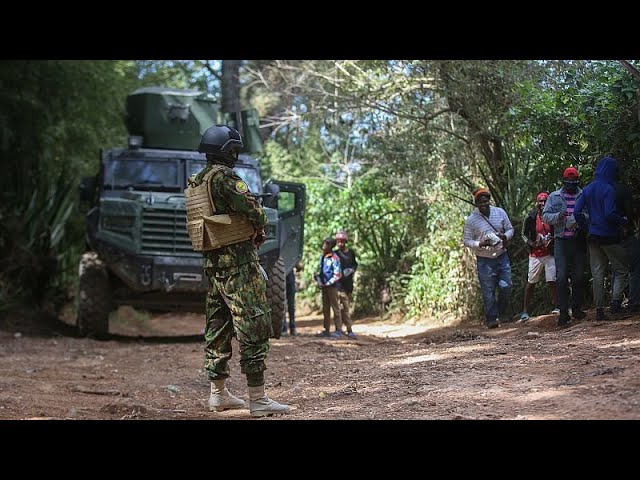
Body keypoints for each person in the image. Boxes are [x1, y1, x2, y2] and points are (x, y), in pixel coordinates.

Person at [185, 124, 289, 417]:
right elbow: (254, 210)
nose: (236, 154)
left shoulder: (198, 181)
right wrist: (259, 223)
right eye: (233, 149)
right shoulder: (226, 179)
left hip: (214, 266)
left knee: (217, 327)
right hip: (239, 265)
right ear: (225, 151)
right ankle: (258, 399)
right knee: (253, 323)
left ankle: (218, 395)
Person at [574, 156, 629, 321]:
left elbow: (576, 212)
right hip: (609, 236)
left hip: (593, 236)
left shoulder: (588, 189)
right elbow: (610, 213)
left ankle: (599, 311)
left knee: (597, 273)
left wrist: (586, 226)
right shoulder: (608, 189)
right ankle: (615, 304)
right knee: (621, 269)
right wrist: (623, 221)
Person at [542, 166, 588, 327]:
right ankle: (563, 312)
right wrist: (558, 216)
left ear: (577, 182)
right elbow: (545, 216)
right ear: (563, 182)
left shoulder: (583, 195)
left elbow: (590, 214)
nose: (571, 185)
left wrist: (580, 219)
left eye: (574, 183)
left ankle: (576, 308)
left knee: (578, 277)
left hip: (578, 240)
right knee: (561, 277)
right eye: (568, 182)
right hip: (561, 241)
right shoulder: (554, 196)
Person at [462, 187, 514, 329]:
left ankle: (502, 313)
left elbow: (510, 229)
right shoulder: (471, 220)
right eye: (480, 202)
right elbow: (466, 240)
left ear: (489, 201)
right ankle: (491, 318)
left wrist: (505, 236)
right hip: (484, 259)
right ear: (476, 204)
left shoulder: (500, 212)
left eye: (486, 201)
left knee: (506, 285)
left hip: (501, 255)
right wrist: (480, 243)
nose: (484, 204)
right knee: (488, 291)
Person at [519, 191, 560, 322]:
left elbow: (558, 231)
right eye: (540, 201)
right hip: (535, 255)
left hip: (549, 253)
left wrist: (552, 240)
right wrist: (532, 243)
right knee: (531, 282)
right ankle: (525, 311)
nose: (542, 204)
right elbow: (523, 234)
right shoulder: (531, 217)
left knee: (552, 280)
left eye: (545, 201)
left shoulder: (553, 216)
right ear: (537, 203)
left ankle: (558, 306)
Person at [314, 237, 343, 337]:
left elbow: (338, 274)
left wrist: (328, 283)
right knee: (325, 308)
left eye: (326, 244)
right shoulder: (323, 257)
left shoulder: (334, 258)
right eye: (323, 243)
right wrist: (318, 279)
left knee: (335, 308)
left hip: (332, 287)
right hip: (324, 287)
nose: (324, 246)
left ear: (331, 246)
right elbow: (320, 270)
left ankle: (338, 330)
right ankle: (326, 329)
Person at [334, 230, 358, 339]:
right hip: (339, 285)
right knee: (341, 308)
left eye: (342, 241)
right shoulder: (335, 254)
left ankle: (345, 329)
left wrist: (351, 270)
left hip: (349, 285)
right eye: (338, 242)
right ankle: (344, 329)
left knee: (346, 308)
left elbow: (354, 264)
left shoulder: (351, 253)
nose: (340, 244)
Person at [282, 264, 299, 336]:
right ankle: (284, 328)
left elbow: (298, 266)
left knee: (291, 306)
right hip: (281, 281)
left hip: (290, 281)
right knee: (282, 305)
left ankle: (292, 327)